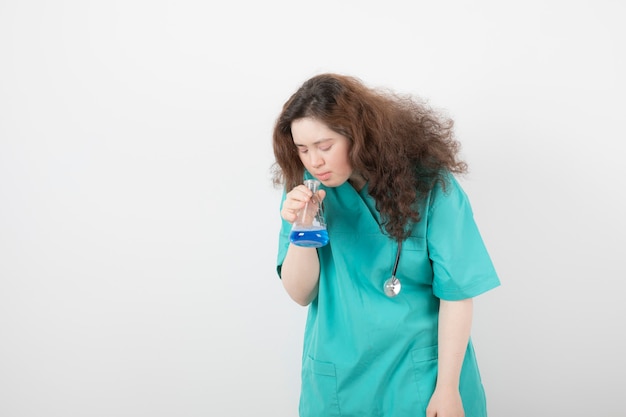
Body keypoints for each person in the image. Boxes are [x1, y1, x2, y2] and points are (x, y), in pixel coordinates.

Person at [271, 73, 500, 417]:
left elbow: (457, 293)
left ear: (358, 136)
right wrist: (301, 230)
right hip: (340, 380)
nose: (313, 162)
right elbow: (301, 293)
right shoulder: (308, 192)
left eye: (325, 146)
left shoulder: (432, 187)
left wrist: (448, 389)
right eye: (303, 149)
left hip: (422, 378)